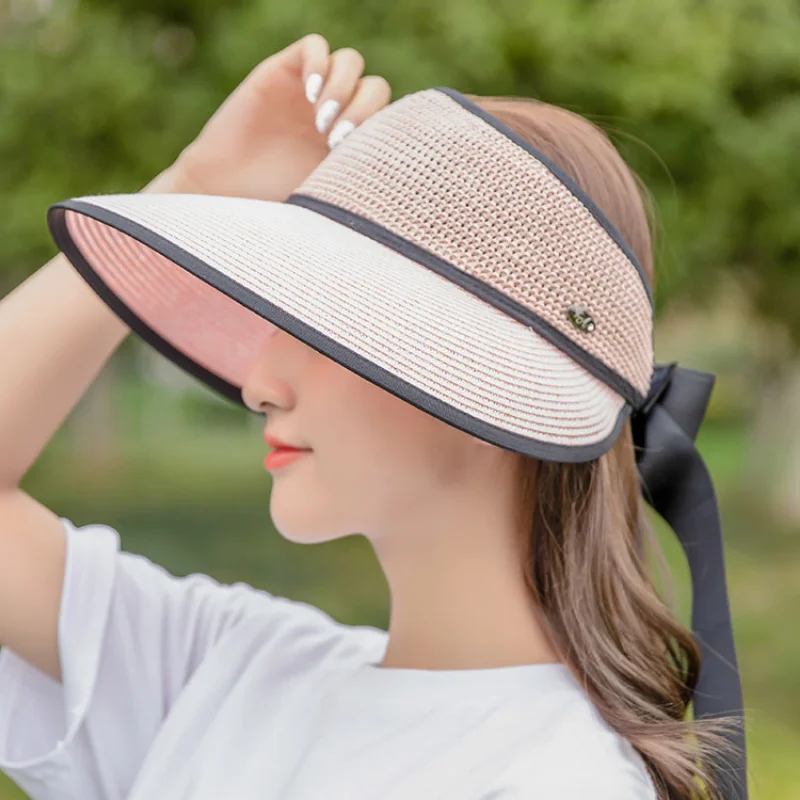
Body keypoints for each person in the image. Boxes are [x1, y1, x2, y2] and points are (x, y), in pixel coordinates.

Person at [0, 32, 746, 800]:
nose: (258, 383)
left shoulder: (557, 780)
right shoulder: (232, 671)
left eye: (326, 325)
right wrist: (194, 182)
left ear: (485, 381)